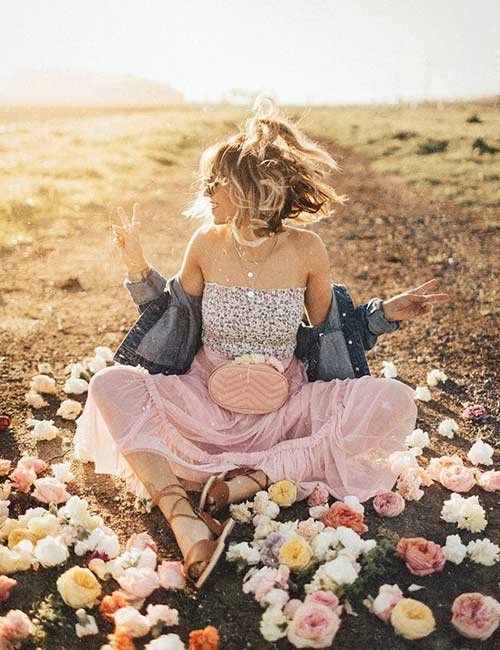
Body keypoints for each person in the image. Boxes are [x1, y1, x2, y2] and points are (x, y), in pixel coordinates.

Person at [74, 96, 449, 589]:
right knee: (109, 384)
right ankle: (185, 518)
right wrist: (137, 268)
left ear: (251, 187)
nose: (206, 191)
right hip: (204, 397)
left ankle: (254, 477)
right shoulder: (205, 242)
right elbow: (171, 317)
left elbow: (333, 330)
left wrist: (386, 313)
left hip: (283, 405)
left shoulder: (307, 249)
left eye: (217, 182)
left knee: (391, 399)